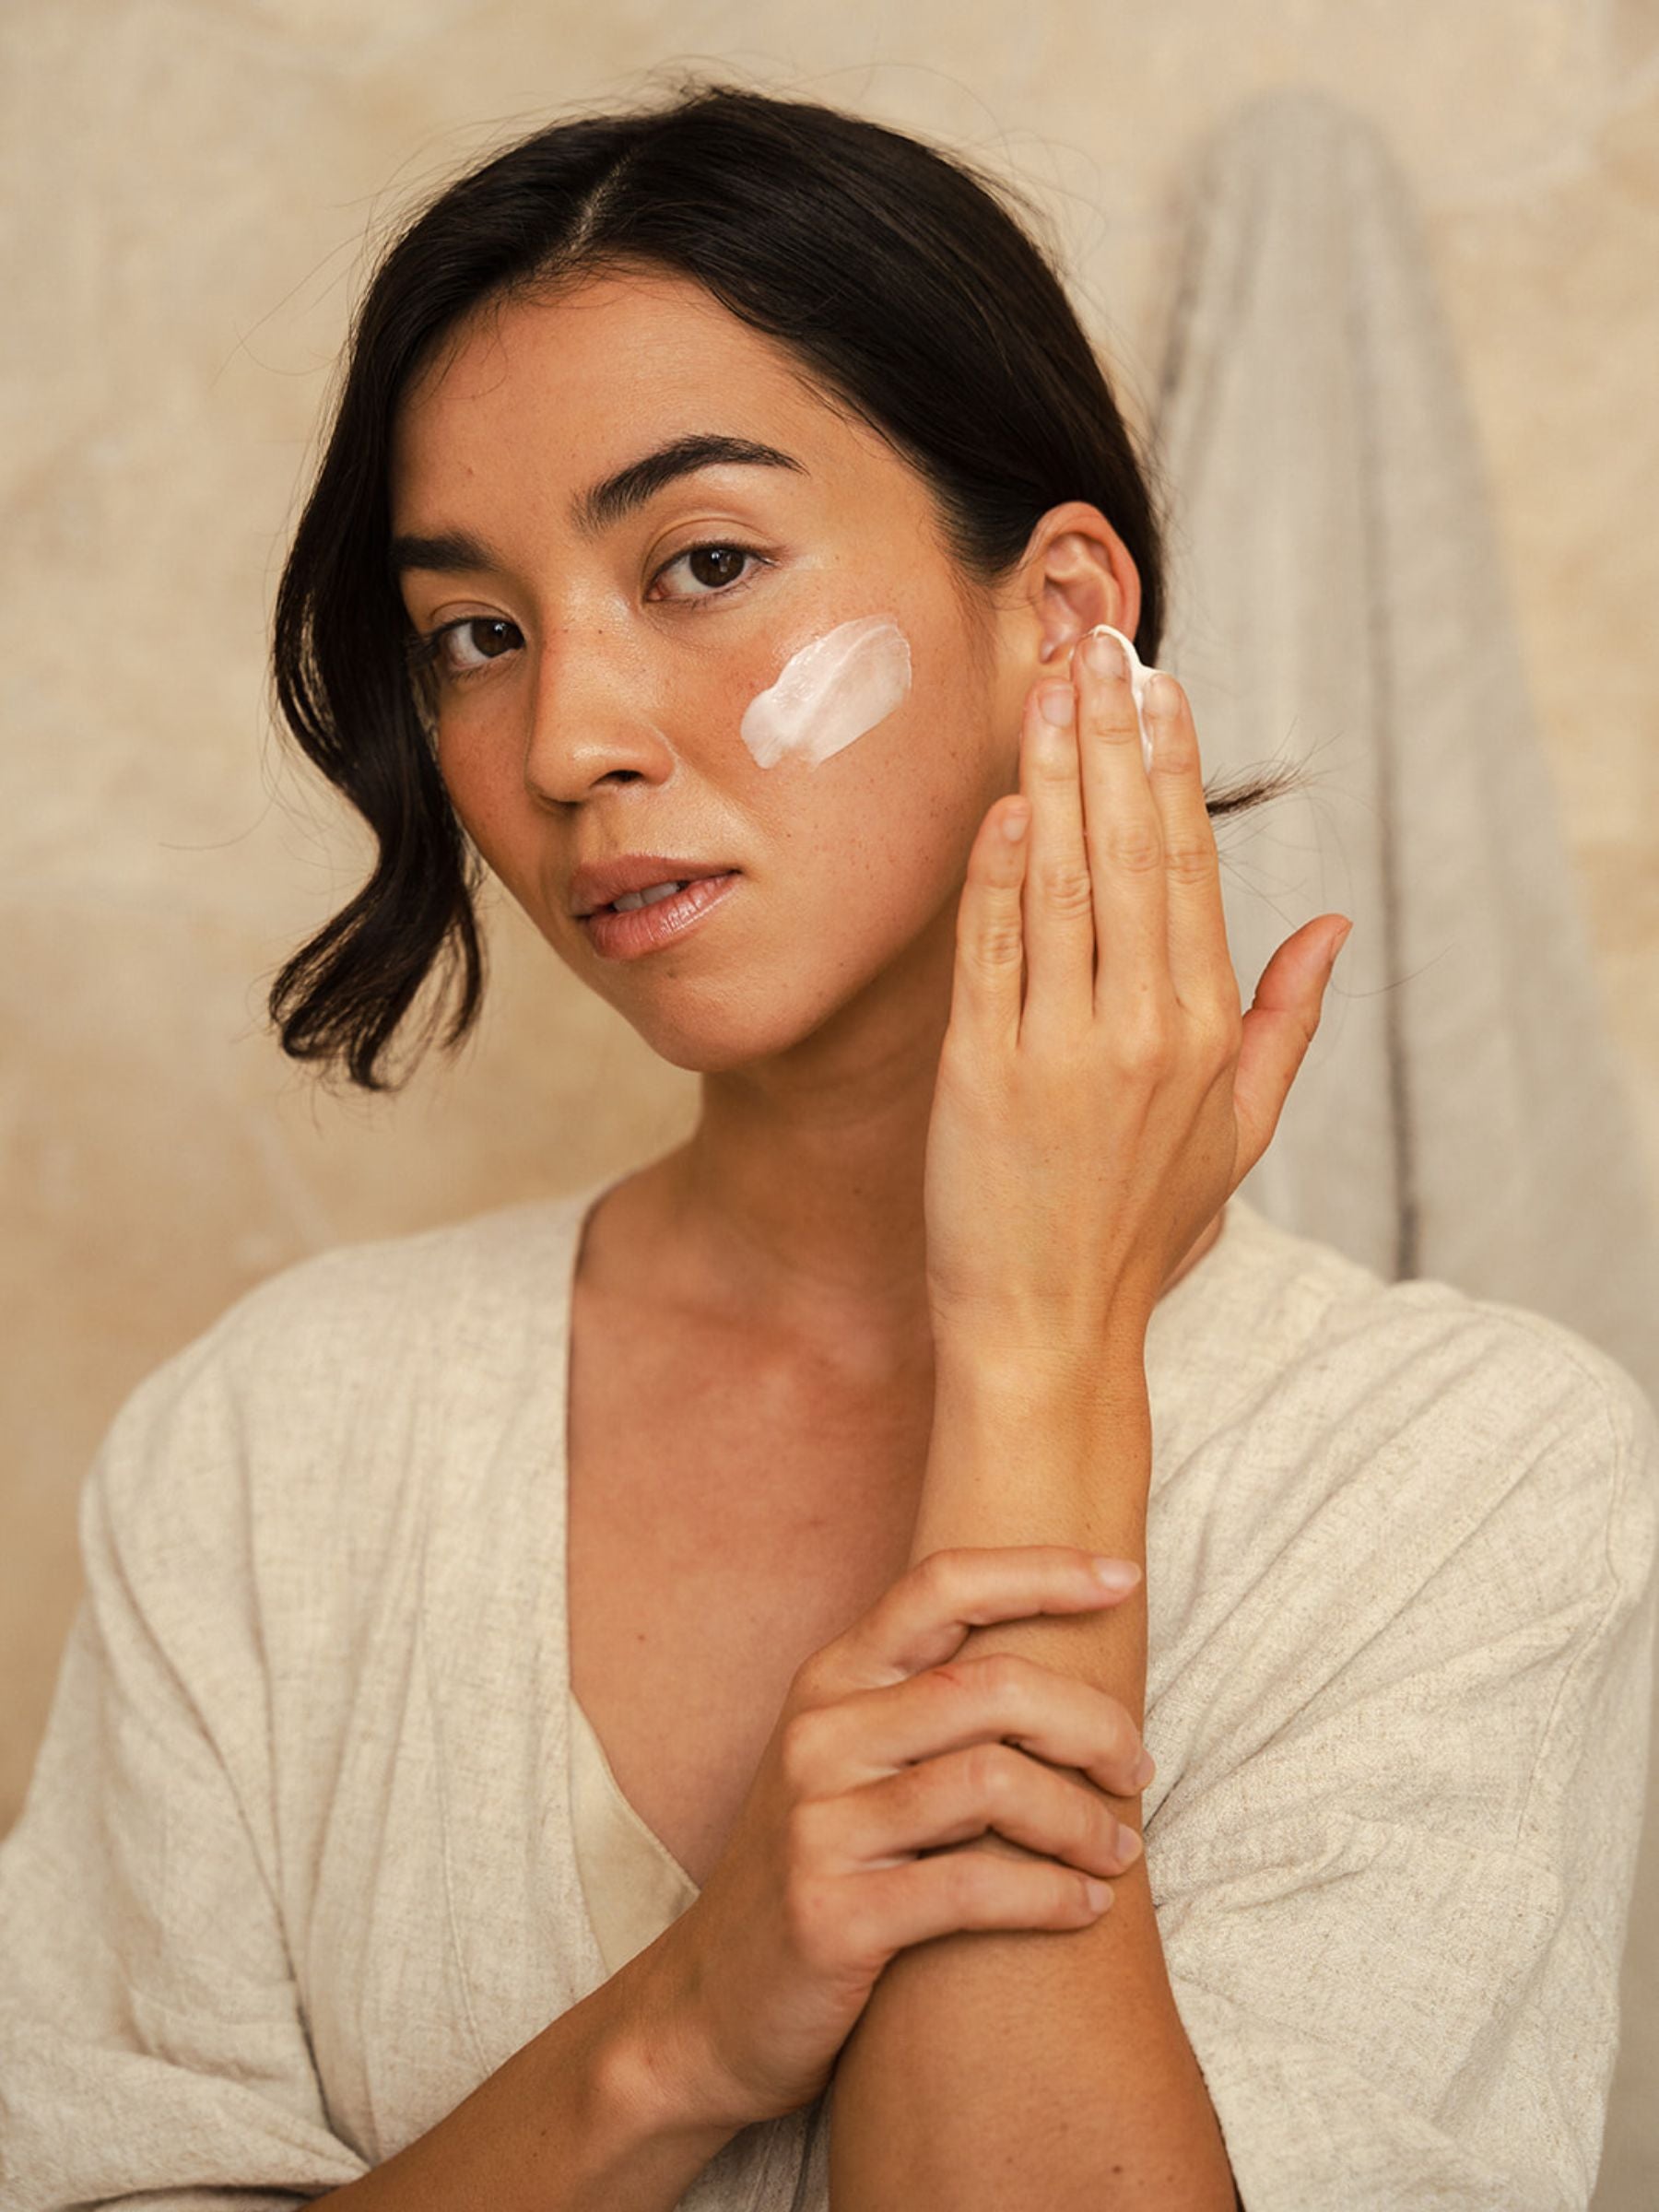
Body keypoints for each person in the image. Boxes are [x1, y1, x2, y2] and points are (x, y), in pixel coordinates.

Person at [1, 76, 1653, 2212]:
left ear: (1061, 616)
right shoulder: (270, 1449)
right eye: (473, 635)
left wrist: (1042, 1365)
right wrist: (679, 2032)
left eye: (701, 563)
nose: (570, 738)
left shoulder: (1471, 1480)